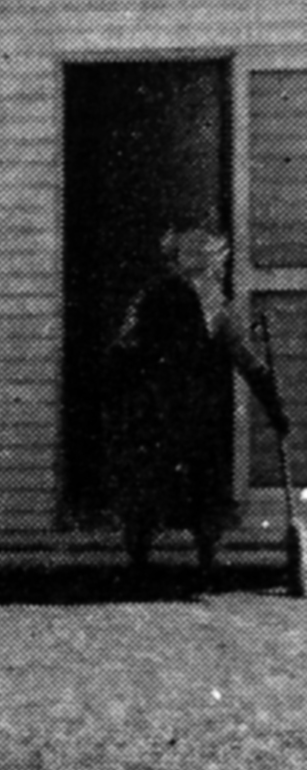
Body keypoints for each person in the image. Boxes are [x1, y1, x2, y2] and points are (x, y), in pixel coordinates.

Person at [106, 227, 292, 579]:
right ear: (208, 264)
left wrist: (122, 401)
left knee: (151, 483)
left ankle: (140, 557)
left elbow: (121, 351)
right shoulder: (213, 307)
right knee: (203, 485)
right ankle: (205, 558)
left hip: (156, 409)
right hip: (195, 411)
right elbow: (249, 363)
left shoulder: (149, 298)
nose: (219, 270)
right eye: (216, 263)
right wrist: (275, 408)